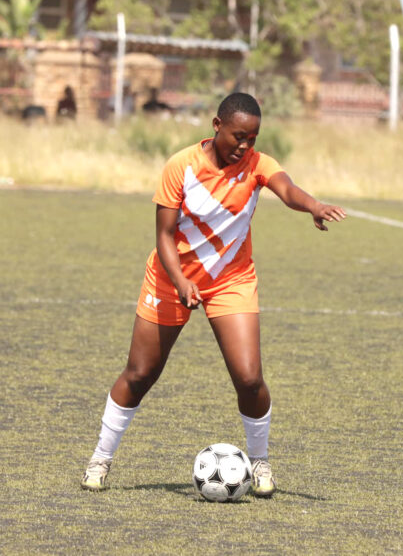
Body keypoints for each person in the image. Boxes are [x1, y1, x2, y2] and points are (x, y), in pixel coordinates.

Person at [80, 92, 347, 496]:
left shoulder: (258, 165)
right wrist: (182, 281)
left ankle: (260, 464)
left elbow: (287, 189)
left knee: (249, 378)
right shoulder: (181, 166)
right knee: (140, 374)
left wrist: (312, 205)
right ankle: (101, 457)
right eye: (238, 136)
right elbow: (164, 236)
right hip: (171, 278)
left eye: (253, 138)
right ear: (216, 125)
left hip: (231, 280)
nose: (245, 146)